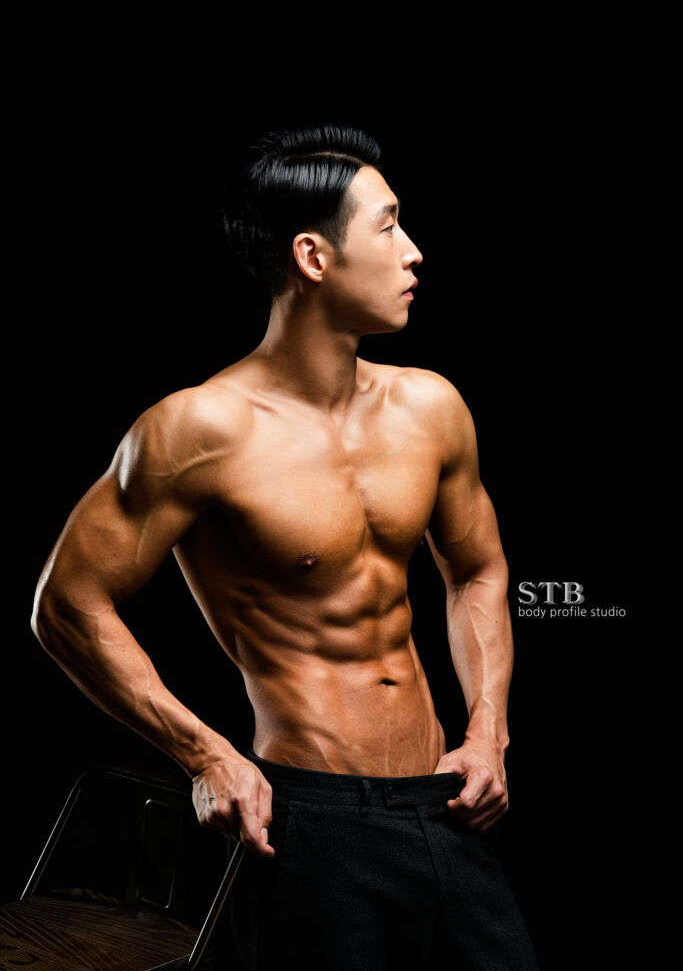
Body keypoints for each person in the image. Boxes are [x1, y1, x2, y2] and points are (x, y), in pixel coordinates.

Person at [31, 125, 539, 969]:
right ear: (312, 256)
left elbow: (477, 570)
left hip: (445, 802)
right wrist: (205, 755)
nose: (413, 251)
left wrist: (487, 733)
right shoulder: (199, 429)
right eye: (387, 226)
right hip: (309, 823)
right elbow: (65, 605)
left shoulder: (431, 408)